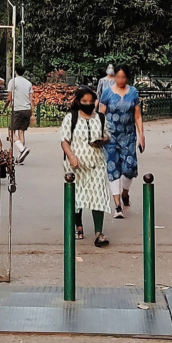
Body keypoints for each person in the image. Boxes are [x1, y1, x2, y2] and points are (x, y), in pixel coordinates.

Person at [60, 86, 112, 247]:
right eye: (84, 101)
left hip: (97, 163)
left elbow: (107, 135)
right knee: (77, 196)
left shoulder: (101, 118)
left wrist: (102, 140)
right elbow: (64, 140)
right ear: (77, 101)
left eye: (91, 101)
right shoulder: (71, 118)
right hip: (76, 165)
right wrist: (71, 156)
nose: (88, 104)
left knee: (99, 195)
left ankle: (98, 233)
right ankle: (79, 227)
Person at [99, 64, 145, 219]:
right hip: (110, 136)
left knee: (129, 168)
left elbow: (137, 115)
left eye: (123, 77)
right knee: (113, 169)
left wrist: (141, 135)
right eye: (118, 77)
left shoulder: (133, 92)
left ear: (127, 77)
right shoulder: (107, 93)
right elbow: (101, 114)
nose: (120, 80)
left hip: (128, 136)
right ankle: (117, 205)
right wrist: (100, 133)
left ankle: (125, 193)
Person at [6, 64, 34, 164]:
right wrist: (32, 113)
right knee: (21, 132)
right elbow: (31, 100)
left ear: (15, 72)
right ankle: (20, 157)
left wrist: (6, 105)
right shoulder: (28, 83)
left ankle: (22, 149)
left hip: (17, 109)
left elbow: (9, 98)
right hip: (27, 109)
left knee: (11, 132)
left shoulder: (12, 82)